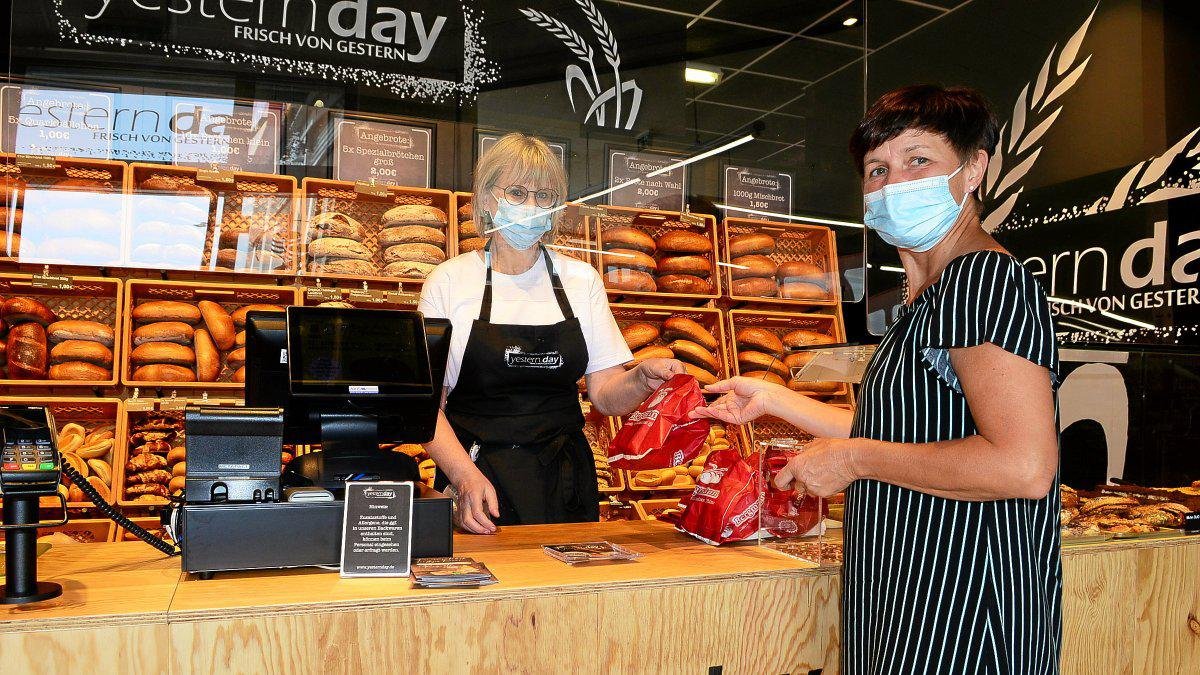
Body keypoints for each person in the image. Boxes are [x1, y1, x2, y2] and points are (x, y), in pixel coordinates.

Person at [693, 85, 1062, 673]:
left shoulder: (984, 282)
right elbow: (909, 430)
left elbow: (1021, 465)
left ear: (974, 170)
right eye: (877, 169)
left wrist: (854, 460)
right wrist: (775, 400)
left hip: (963, 615)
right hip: (907, 599)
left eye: (919, 160)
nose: (893, 183)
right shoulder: (930, 298)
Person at [419, 133, 683, 533]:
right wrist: (463, 476)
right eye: (518, 192)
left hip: (564, 478)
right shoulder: (450, 281)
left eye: (544, 196)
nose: (531, 207)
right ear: (489, 199)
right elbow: (424, 405)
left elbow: (606, 395)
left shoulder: (580, 281)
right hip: (477, 477)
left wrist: (640, 380)